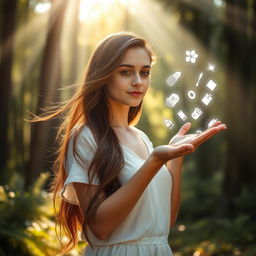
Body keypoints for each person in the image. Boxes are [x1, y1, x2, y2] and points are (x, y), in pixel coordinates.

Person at [35, 32, 227, 255]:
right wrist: (155, 161)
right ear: (104, 75)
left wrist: (176, 159)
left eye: (144, 73)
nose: (138, 81)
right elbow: (100, 228)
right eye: (126, 72)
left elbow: (167, 221)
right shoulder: (87, 136)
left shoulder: (141, 137)